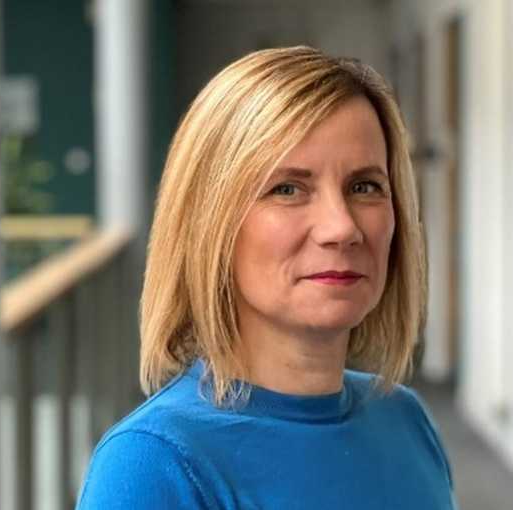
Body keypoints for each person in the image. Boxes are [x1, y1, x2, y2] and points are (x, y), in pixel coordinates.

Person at [76, 46, 457, 509]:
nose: (342, 227)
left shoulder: (405, 419)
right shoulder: (154, 465)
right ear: (209, 223)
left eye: (364, 187)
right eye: (287, 189)